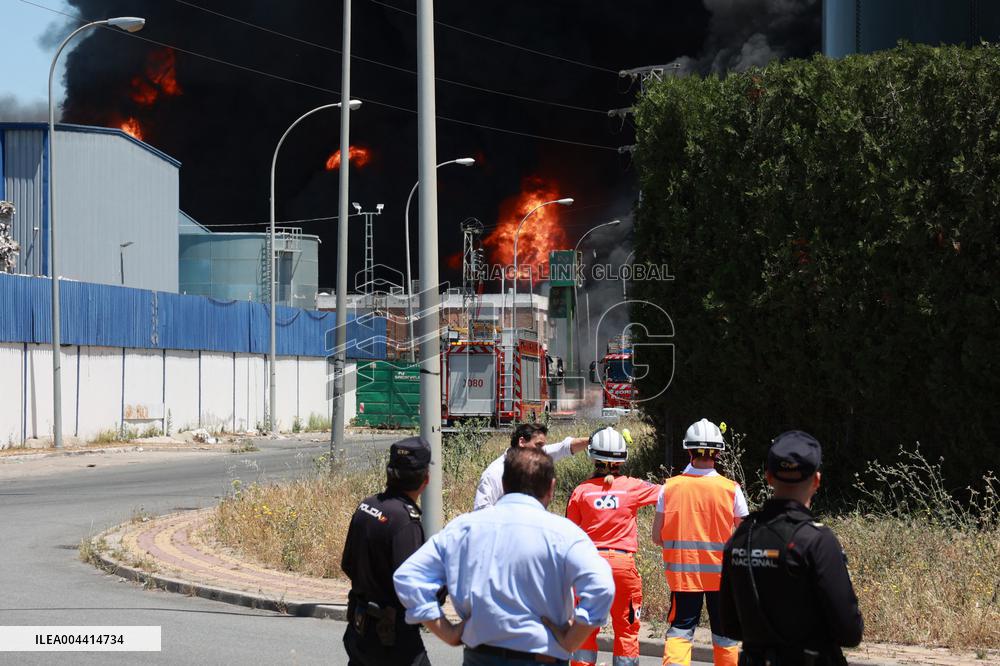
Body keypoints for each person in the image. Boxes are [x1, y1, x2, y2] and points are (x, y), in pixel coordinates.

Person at [394, 447, 615, 665]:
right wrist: (571, 640)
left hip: (480, 657)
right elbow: (602, 586)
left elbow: (408, 576)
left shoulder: (465, 528)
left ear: (504, 483)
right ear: (551, 487)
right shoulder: (565, 534)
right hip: (542, 656)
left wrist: (447, 631)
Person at [719, 431, 864, 666]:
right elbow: (849, 632)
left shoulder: (742, 536)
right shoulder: (817, 540)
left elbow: (731, 625)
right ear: (816, 480)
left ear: (768, 477)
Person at [651, 418, 748, 666]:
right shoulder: (731, 489)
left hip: (684, 576)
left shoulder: (669, 488)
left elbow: (656, 537)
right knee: (725, 634)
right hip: (722, 578)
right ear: (717, 452)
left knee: (681, 630)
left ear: (689, 450)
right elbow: (746, 537)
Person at [566, 427, 662, 666]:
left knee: (585, 631)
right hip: (622, 566)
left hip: (590, 567)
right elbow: (667, 494)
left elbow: (569, 537)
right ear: (622, 459)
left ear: (593, 457)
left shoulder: (581, 492)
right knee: (627, 631)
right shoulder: (633, 487)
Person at [341, 437, 432, 666]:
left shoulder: (367, 505)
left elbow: (347, 564)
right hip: (392, 640)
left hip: (360, 630)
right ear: (426, 480)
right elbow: (411, 588)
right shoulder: (405, 521)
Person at [473, 422, 589, 510]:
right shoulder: (495, 473)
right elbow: (481, 511)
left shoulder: (535, 457)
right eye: (538, 445)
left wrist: (593, 440)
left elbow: (565, 447)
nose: (542, 450)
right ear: (522, 442)